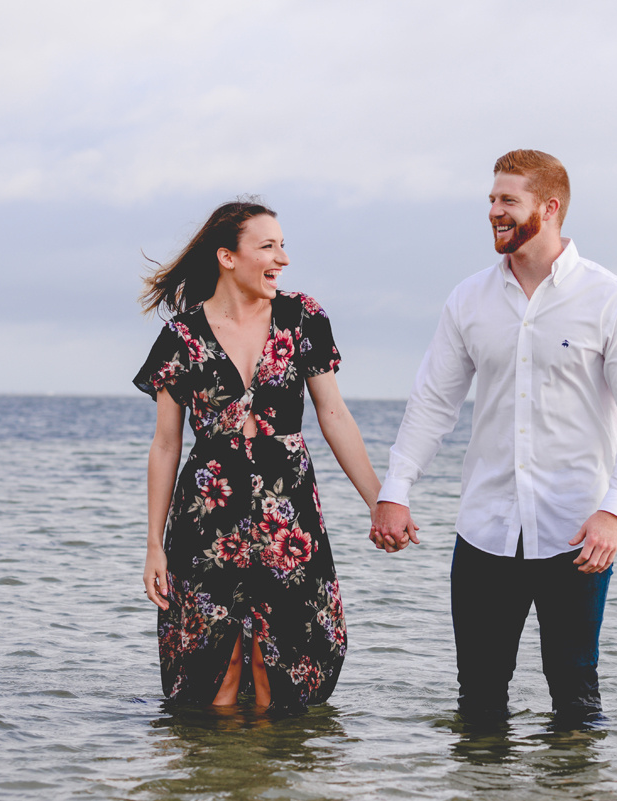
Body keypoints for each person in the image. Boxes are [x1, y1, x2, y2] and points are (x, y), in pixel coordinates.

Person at [370, 150, 617, 727]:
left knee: (576, 700)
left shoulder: (611, 299)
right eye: (491, 200)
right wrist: (396, 488)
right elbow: (433, 400)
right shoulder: (469, 300)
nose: (494, 212)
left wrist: (616, 512)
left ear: (549, 208)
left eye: (508, 201)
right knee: (478, 702)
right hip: (485, 531)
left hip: (576, 535)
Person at [134, 199, 414, 713]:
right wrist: (153, 544)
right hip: (207, 517)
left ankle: (267, 774)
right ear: (227, 257)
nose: (282, 258)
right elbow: (167, 444)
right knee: (218, 664)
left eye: (283, 245)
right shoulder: (182, 336)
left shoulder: (302, 317)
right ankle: (217, 778)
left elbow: (333, 416)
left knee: (275, 659)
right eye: (268, 246)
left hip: (287, 514)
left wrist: (382, 500)